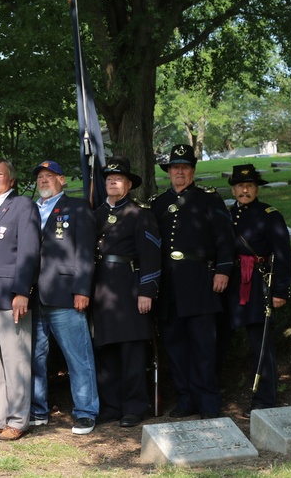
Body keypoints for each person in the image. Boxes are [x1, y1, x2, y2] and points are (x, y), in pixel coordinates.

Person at [150, 144, 234, 419]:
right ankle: (186, 399)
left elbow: (225, 238)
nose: (180, 172)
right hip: (169, 286)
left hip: (200, 282)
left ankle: (208, 400)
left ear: (193, 171)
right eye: (175, 168)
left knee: (204, 346)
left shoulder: (209, 199)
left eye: (185, 167)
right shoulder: (158, 203)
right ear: (169, 172)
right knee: (176, 345)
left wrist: (223, 270)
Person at [29, 160, 99, 435]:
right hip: (34, 296)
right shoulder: (30, 210)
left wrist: (82, 289)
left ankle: (85, 412)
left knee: (78, 357)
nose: (44, 180)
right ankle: (37, 410)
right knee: (35, 357)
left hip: (65, 295)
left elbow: (84, 251)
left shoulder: (78, 207)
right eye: (40, 177)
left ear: (63, 180)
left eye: (49, 176)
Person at [91, 157, 161, 427]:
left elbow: (151, 256)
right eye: (109, 179)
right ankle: (111, 405)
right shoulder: (96, 214)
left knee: (132, 352)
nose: (112, 182)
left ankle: (134, 406)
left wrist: (147, 291)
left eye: (118, 179)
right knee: (106, 351)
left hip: (130, 290)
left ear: (129, 184)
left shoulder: (140, 213)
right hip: (101, 291)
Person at [221, 164, 291, 415]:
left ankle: (264, 399)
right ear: (233, 189)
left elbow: (283, 255)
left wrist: (280, 291)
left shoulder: (270, 215)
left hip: (258, 284)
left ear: (257, 189)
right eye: (240, 186)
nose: (244, 190)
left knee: (260, 342)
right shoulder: (228, 215)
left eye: (249, 186)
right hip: (230, 284)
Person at [0, 157, 41, 442]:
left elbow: (29, 251)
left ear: (11, 180)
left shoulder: (22, 206)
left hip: (11, 295)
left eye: (0, 174)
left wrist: (22, 291)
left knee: (16, 359)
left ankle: (18, 419)